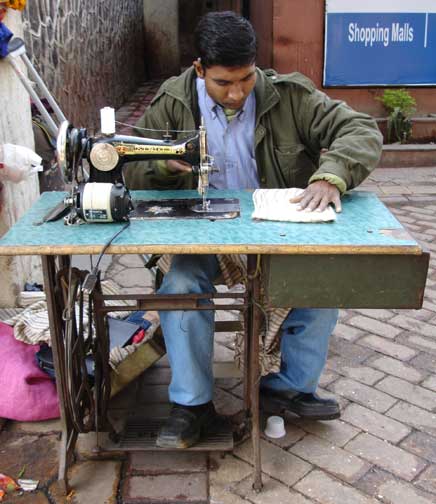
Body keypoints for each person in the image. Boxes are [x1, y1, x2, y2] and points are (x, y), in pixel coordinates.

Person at [124, 11, 383, 449]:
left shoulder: (288, 95)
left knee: (320, 288)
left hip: (273, 229)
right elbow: (132, 169)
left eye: (245, 79)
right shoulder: (172, 102)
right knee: (181, 286)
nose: (237, 93)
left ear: (255, 65)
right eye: (223, 83)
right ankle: (192, 406)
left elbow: (359, 129)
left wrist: (331, 174)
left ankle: (286, 390)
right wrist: (164, 166)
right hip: (203, 232)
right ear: (199, 69)